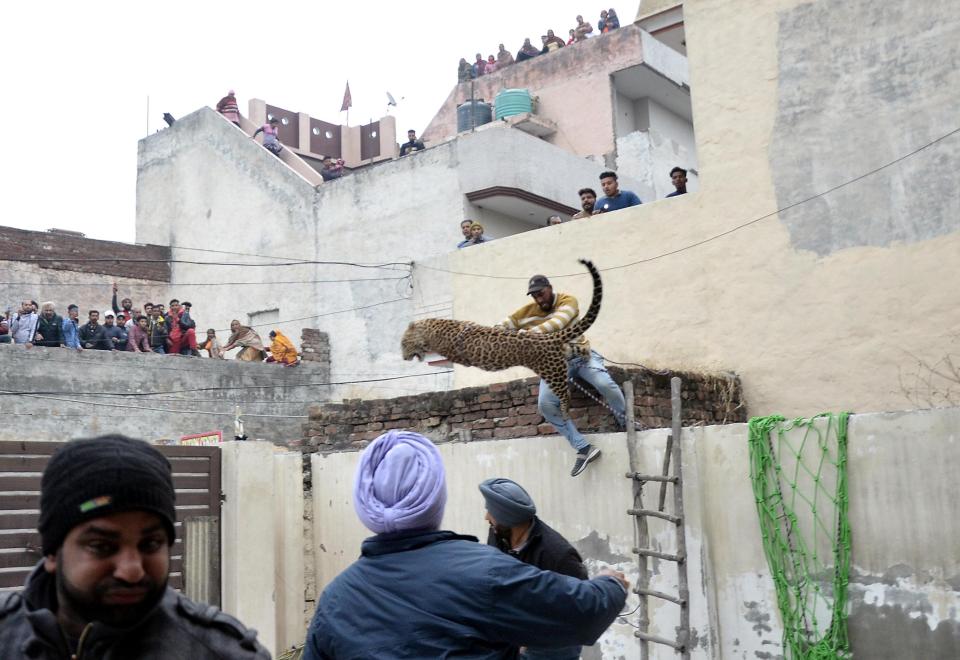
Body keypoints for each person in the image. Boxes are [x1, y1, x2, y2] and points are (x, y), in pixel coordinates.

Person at [302, 430, 628, 660]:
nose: (487, 517)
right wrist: (613, 585)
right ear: (436, 499)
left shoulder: (335, 600)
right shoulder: (485, 571)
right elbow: (582, 611)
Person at [0, 434, 271, 658]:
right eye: (101, 546)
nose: (132, 571)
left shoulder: (222, 653)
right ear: (52, 553)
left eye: (151, 544)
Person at [499, 273, 627, 476]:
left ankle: (625, 422)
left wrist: (526, 335)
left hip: (582, 356)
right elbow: (504, 325)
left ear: (550, 288)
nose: (539, 299)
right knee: (545, 404)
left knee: (605, 383)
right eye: (534, 296)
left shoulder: (568, 301)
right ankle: (583, 448)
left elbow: (557, 324)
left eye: (541, 293)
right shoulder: (529, 311)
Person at [480, 478, 589, 660]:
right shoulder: (498, 535)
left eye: (490, 512)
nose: (487, 518)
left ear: (508, 519)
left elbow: (583, 609)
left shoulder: (558, 556)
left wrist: (532, 637)